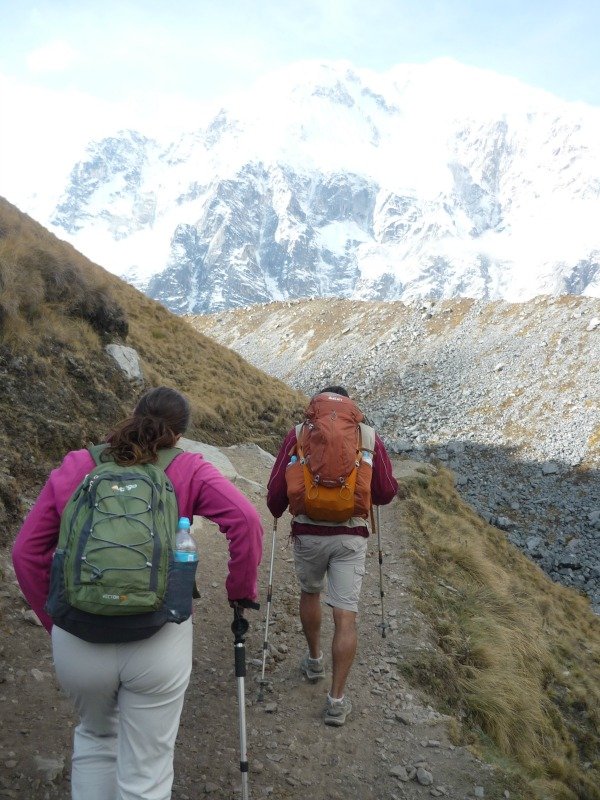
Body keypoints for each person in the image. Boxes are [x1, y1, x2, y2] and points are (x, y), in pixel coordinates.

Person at [12, 386, 263, 800]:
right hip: (158, 637)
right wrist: (239, 591)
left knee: (95, 741)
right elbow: (246, 521)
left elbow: (25, 552)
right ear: (179, 435)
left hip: (79, 635)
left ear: (132, 415)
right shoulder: (190, 468)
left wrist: (55, 620)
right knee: (146, 770)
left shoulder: (78, 464)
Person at [266, 385, 397, 726]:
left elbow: (275, 499)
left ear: (316, 408)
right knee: (346, 614)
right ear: (351, 409)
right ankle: (336, 701)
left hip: (309, 533)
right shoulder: (367, 436)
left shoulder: (298, 434)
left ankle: (313, 660)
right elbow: (385, 492)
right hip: (350, 536)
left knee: (310, 592)